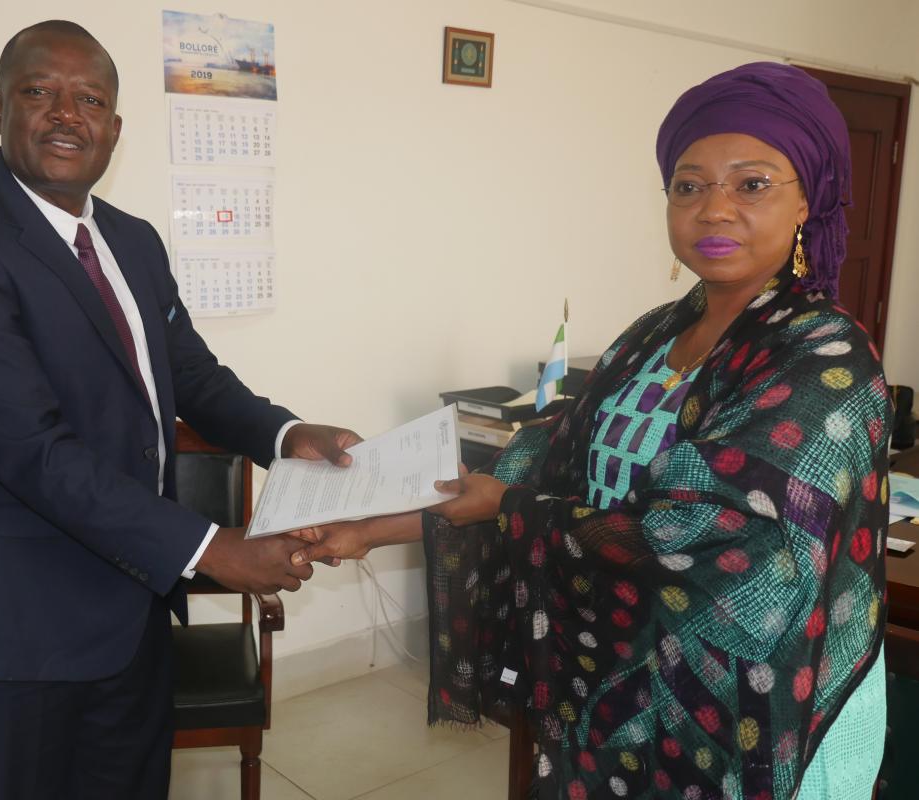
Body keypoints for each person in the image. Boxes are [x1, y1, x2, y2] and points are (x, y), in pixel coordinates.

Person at [291, 62, 890, 800]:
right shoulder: (650, 335)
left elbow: (707, 534)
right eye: (688, 185)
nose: (713, 209)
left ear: (809, 200)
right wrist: (367, 529)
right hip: (606, 681)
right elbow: (536, 465)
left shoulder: (822, 353)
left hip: (736, 714)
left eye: (751, 183)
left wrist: (508, 511)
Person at [0, 20, 358, 800]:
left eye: (91, 100)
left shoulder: (132, 242)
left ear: (114, 129)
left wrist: (283, 433)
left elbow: (192, 377)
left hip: (132, 604)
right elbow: (31, 451)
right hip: (18, 624)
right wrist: (212, 547)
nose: (66, 115)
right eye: (40, 92)